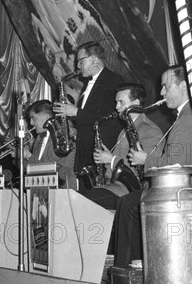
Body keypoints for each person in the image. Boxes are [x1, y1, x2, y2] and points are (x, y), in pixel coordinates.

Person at [114, 66, 192, 267]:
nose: (161, 93)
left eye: (166, 86)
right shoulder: (186, 115)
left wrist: (146, 160)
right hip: (180, 190)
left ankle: (128, 269)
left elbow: (177, 165)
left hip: (183, 193)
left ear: (184, 86)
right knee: (128, 203)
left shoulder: (188, 119)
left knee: (128, 205)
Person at [76, 83, 163, 209]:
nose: (116, 107)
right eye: (116, 102)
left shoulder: (150, 131)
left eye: (121, 102)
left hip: (129, 193)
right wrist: (104, 162)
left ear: (136, 103)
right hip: (113, 187)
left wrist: (111, 160)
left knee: (77, 201)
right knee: (72, 198)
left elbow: (144, 172)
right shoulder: (125, 130)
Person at [53, 42, 124, 187]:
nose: (78, 66)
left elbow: (108, 116)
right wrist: (76, 130)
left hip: (101, 151)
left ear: (94, 59)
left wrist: (76, 112)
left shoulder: (114, 80)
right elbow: (90, 116)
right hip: (86, 152)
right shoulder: (88, 84)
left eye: (81, 61)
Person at [24, 99, 77, 189]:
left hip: (62, 191)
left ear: (46, 116)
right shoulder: (39, 138)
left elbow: (57, 169)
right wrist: (21, 157)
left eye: (33, 118)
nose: (31, 123)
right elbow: (32, 169)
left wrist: (28, 156)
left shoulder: (64, 138)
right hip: (40, 190)